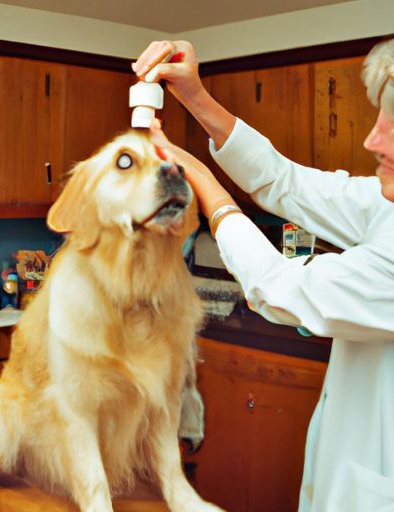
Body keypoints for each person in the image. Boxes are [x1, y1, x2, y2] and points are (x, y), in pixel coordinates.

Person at [133, 40, 394, 512]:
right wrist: (194, 95)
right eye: (380, 116)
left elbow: (281, 288)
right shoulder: (385, 205)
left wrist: (204, 185)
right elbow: (282, 180)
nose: (372, 140)